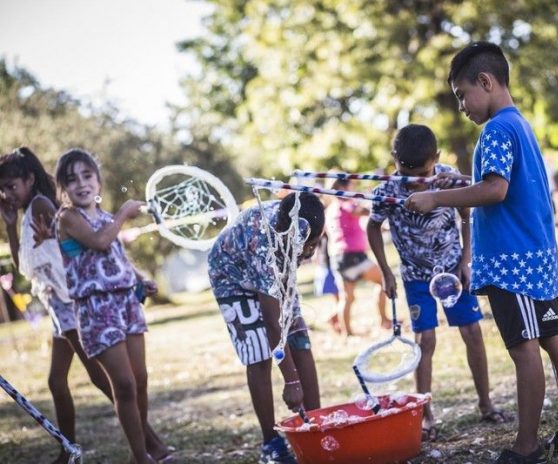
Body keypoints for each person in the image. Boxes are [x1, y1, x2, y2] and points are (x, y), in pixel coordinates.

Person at [405, 42, 558, 464]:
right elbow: (502, 184)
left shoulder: (495, 131)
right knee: (555, 341)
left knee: (524, 348)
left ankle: (527, 447)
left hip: (513, 265)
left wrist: (436, 199)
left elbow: (495, 189)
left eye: (461, 94)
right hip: (538, 258)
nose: (462, 107)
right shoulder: (519, 124)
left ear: (486, 82)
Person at [0, 147, 170, 464]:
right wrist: (10, 225)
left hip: (71, 300)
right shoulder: (30, 212)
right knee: (63, 380)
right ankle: (73, 448)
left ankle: (150, 445)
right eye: (2, 189)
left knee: (110, 379)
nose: (6, 194)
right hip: (58, 303)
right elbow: (25, 265)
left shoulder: (41, 205)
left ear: (29, 180)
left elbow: (97, 244)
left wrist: (134, 273)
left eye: (11, 187)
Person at [366, 124, 509, 443]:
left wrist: (466, 258)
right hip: (416, 277)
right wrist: (386, 272)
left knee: (472, 331)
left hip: (454, 271)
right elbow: (373, 228)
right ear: (395, 159)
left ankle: (486, 403)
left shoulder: (447, 177)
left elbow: (467, 210)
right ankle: (425, 415)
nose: (417, 178)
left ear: (437, 158)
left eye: (424, 171)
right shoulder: (387, 190)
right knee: (425, 340)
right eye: (408, 171)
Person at [54, 148, 168, 464]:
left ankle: (139, 455)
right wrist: (123, 214)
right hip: (96, 310)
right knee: (124, 383)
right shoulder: (68, 217)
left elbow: (114, 256)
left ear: (98, 181)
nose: (81, 184)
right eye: (71, 179)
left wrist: (140, 279)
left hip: (126, 304)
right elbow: (99, 242)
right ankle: (140, 456)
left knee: (141, 379)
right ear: (63, 187)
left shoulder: (105, 218)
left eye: (87, 175)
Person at [207, 192, 325, 464]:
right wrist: (291, 382)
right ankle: (271, 443)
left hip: (269, 267)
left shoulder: (304, 220)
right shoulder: (267, 248)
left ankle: (318, 428)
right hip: (231, 275)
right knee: (259, 354)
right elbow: (273, 324)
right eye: (310, 246)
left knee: (300, 339)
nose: (312, 252)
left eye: (316, 243)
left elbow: (289, 329)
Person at [325, 179, 389, 335]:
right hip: (353, 256)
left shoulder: (331, 209)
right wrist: (372, 199)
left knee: (347, 297)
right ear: (342, 188)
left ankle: (347, 333)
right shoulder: (345, 203)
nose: (353, 188)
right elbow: (364, 212)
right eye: (351, 186)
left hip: (337, 257)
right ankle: (384, 320)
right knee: (384, 281)